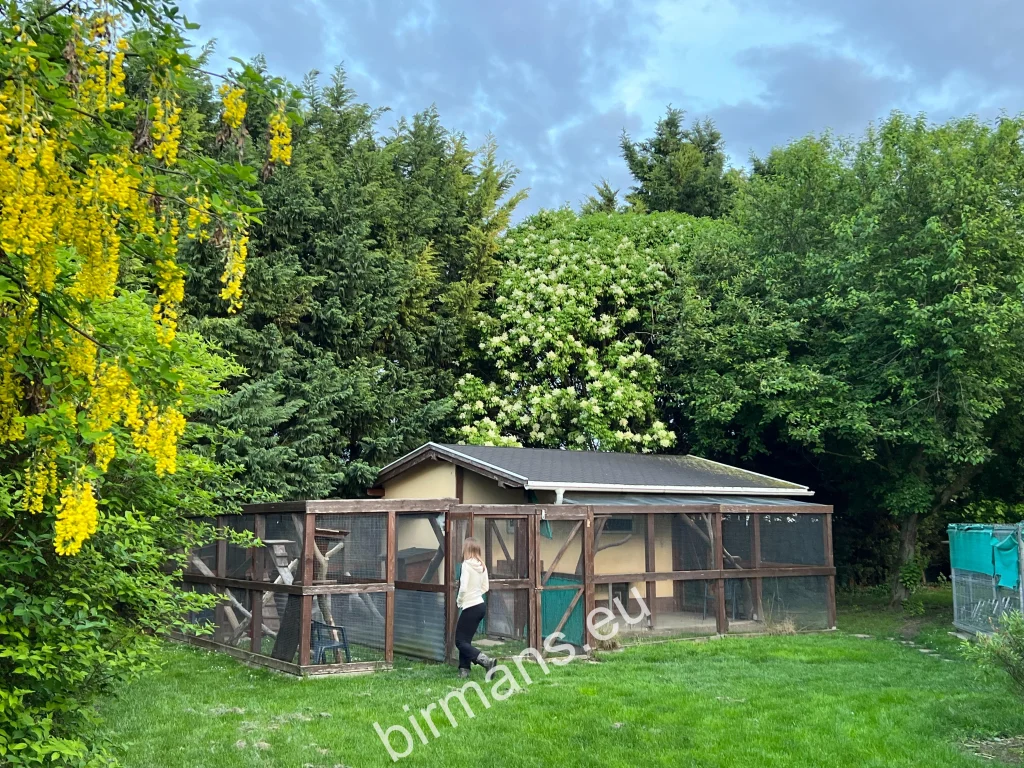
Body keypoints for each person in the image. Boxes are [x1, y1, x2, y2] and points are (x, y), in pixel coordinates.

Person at [455, 536, 496, 678]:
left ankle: (486, 661)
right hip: (480, 605)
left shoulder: (466, 565)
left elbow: (463, 587)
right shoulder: (482, 566)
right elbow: (486, 587)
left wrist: (460, 601)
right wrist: (476, 594)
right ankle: (464, 670)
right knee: (465, 640)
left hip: (470, 606)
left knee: (459, 641)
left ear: (467, 549)